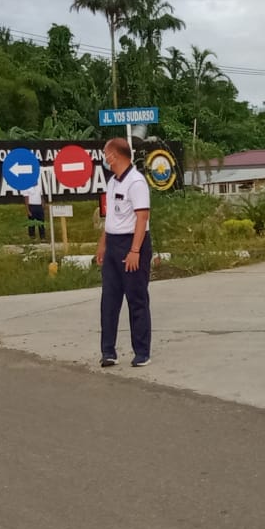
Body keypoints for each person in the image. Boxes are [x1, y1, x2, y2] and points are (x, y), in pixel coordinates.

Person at [95, 138, 153, 368]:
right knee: (109, 300)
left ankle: (142, 352)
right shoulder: (112, 183)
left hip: (133, 244)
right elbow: (111, 218)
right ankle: (108, 351)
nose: (104, 158)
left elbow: (142, 218)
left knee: (136, 299)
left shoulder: (136, 182)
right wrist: (103, 243)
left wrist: (135, 250)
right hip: (113, 244)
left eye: (105, 154)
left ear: (115, 155)